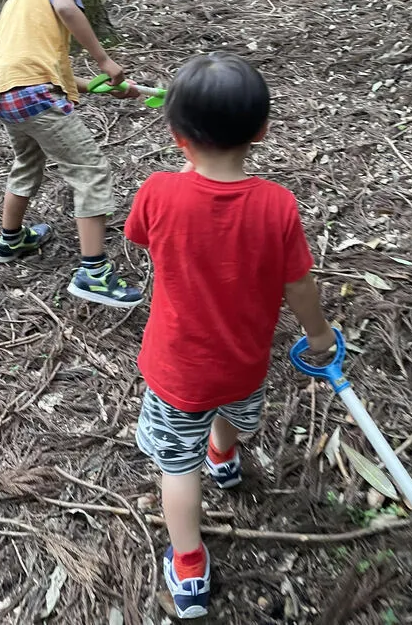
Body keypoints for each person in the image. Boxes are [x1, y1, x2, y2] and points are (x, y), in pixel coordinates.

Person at [124, 52, 335, 618]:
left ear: (177, 137)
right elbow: (300, 284)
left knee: (176, 468)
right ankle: (224, 455)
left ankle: (189, 562)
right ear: (262, 130)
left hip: (175, 368)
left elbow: (140, 237)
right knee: (228, 415)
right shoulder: (277, 205)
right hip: (244, 363)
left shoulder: (158, 194)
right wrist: (319, 338)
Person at [0, 0, 142, 309]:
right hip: (33, 91)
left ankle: (11, 240)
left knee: (27, 162)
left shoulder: (15, 6)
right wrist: (105, 60)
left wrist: (106, 88)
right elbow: (69, 10)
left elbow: (52, 74)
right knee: (89, 169)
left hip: (3, 94)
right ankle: (94, 272)